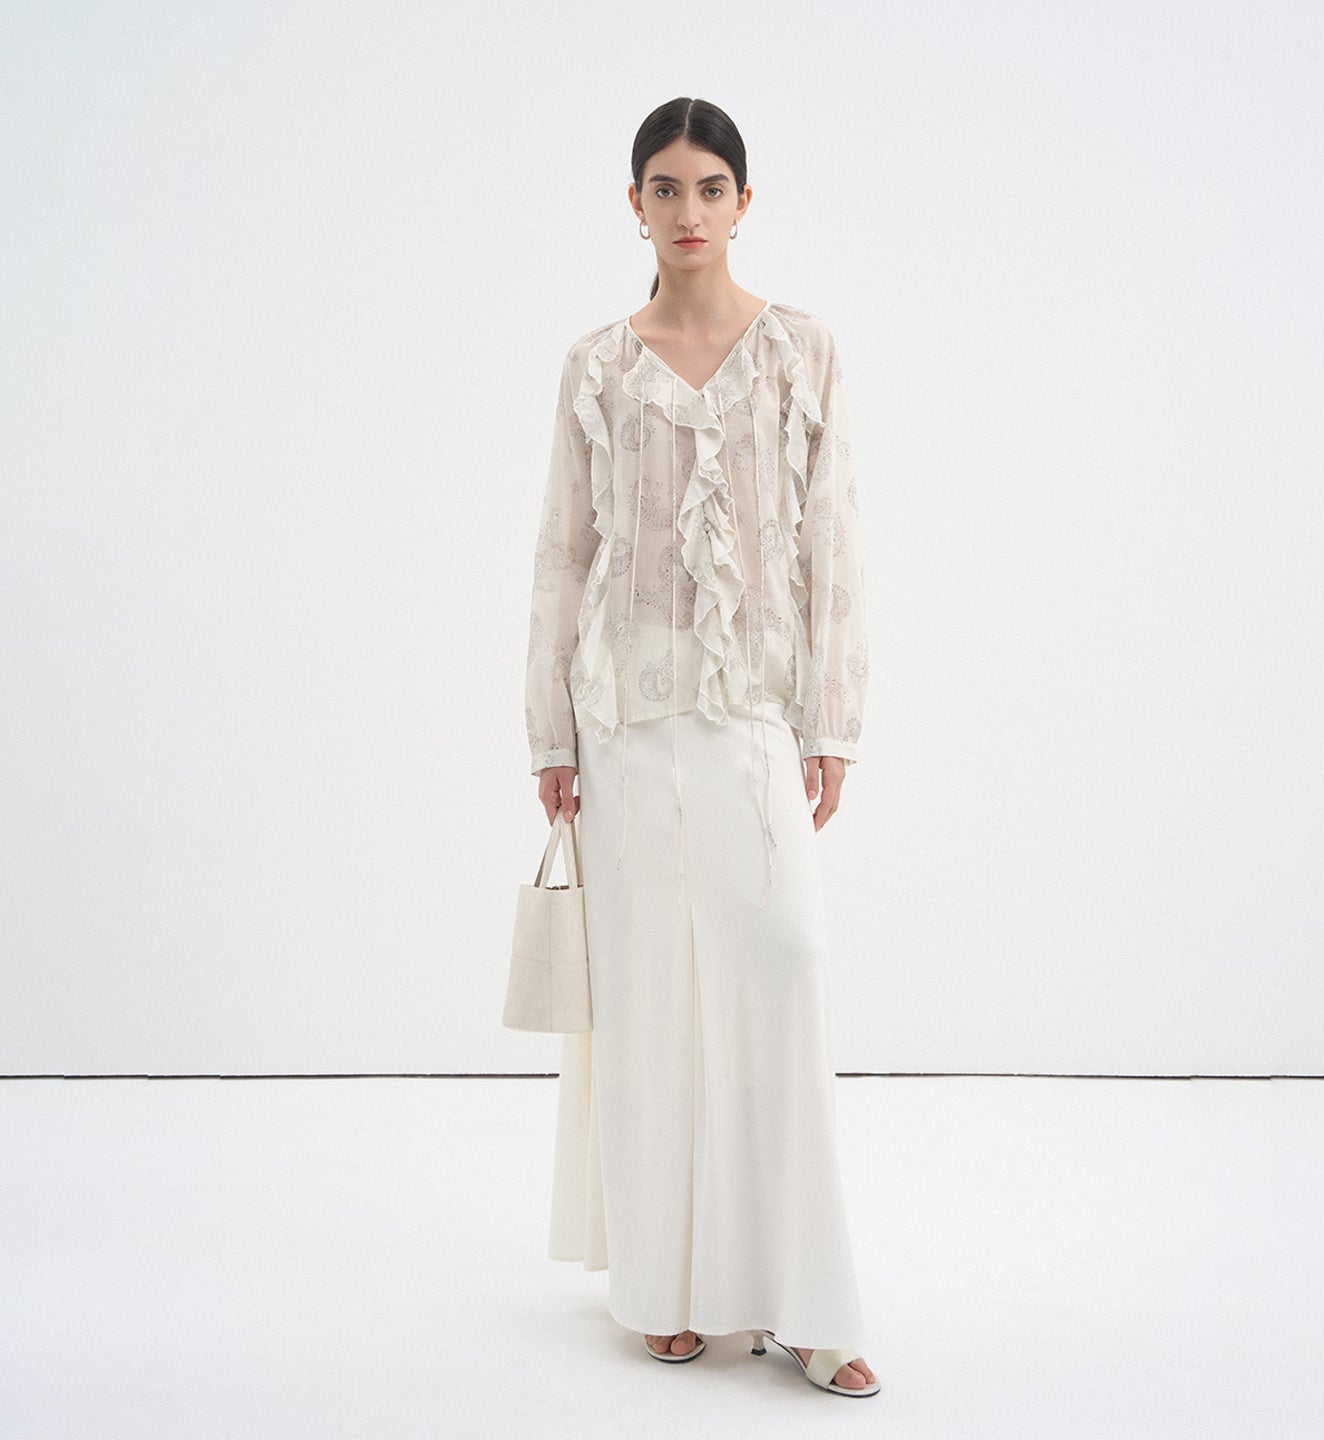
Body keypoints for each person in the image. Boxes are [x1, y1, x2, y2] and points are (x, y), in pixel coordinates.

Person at [523, 96, 878, 1398]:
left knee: (784, 964)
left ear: (743, 202)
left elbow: (833, 542)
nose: (687, 211)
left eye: (710, 187)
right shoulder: (595, 367)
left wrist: (831, 720)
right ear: (635, 205)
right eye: (664, 188)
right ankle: (665, 1291)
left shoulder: (801, 352)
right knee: (652, 1002)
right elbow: (563, 554)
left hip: (750, 715)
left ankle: (812, 1306)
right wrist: (548, 732)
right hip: (619, 725)